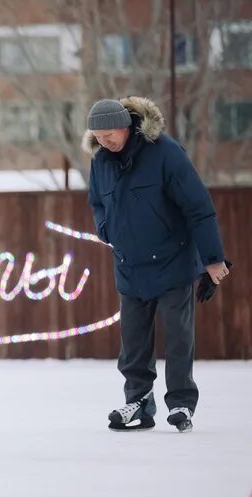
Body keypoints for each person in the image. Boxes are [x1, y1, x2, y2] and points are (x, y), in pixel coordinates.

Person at [84, 97, 229, 433]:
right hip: (129, 265)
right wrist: (106, 230)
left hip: (172, 261)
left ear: (126, 125)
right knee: (133, 341)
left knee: (178, 337)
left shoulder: (164, 151)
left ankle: (180, 403)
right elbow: (96, 202)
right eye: (98, 137)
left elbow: (198, 206)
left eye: (109, 135)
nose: (104, 142)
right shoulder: (101, 161)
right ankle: (138, 401)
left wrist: (212, 259)